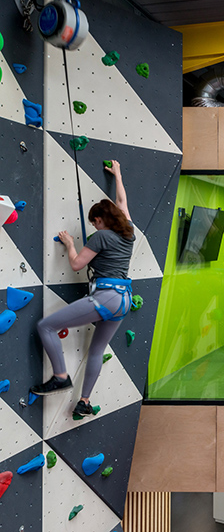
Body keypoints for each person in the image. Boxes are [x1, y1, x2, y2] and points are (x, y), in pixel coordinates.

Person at [31, 160, 135, 416]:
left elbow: (77, 264)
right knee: (97, 349)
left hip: (106, 297)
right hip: (123, 300)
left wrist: (69, 243)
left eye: (95, 222)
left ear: (100, 220)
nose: (94, 227)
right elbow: (122, 203)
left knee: (46, 326)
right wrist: (118, 175)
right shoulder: (128, 232)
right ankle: (85, 401)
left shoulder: (101, 236)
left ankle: (60, 375)